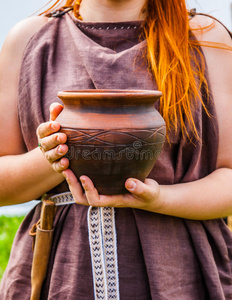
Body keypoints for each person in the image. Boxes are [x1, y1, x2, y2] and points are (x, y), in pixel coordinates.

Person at [0, 0, 232, 299]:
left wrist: (160, 199)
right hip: (64, 272)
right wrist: (58, 152)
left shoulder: (204, 36)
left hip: (180, 272)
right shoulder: (30, 38)